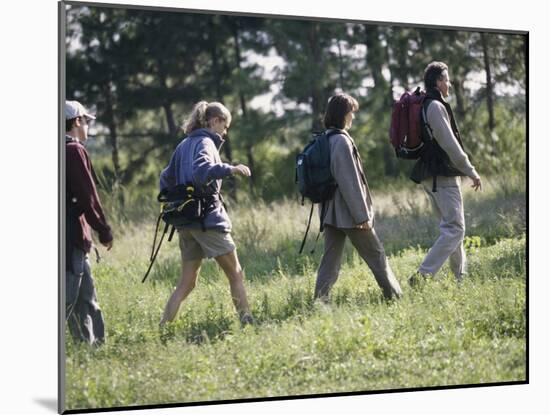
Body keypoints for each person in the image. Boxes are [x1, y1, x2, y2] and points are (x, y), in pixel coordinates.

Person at [159, 101, 254, 326]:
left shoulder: (183, 145)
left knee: (187, 282)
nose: (225, 131)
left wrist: (178, 199)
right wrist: (230, 168)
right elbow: (202, 171)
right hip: (208, 221)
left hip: (186, 222)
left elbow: (165, 178)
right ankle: (248, 323)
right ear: (214, 121)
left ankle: (163, 327)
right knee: (236, 274)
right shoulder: (205, 142)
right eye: (225, 125)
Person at [314, 93, 402, 301]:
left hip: (329, 213)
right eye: (351, 112)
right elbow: (349, 182)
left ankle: (320, 300)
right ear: (343, 115)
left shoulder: (324, 139)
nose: (353, 117)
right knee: (376, 254)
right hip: (349, 213)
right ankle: (396, 296)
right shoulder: (342, 142)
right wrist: (362, 216)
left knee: (330, 260)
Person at [408, 61, 482, 286]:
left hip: (433, 176)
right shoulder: (435, 107)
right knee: (455, 229)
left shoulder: (426, 105)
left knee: (451, 228)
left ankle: (460, 279)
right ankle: (422, 276)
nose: (449, 83)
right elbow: (450, 145)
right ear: (438, 81)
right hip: (442, 177)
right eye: (446, 79)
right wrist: (471, 170)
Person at [65, 100, 113, 345]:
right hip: (71, 237)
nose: (88, 127)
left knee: (87, 296)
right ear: (76, 122)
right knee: (67, 299)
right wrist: (104, 230)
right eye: (86, 121)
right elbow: (88, 196)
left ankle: (93, 347)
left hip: (75, 238)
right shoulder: (73, 151)